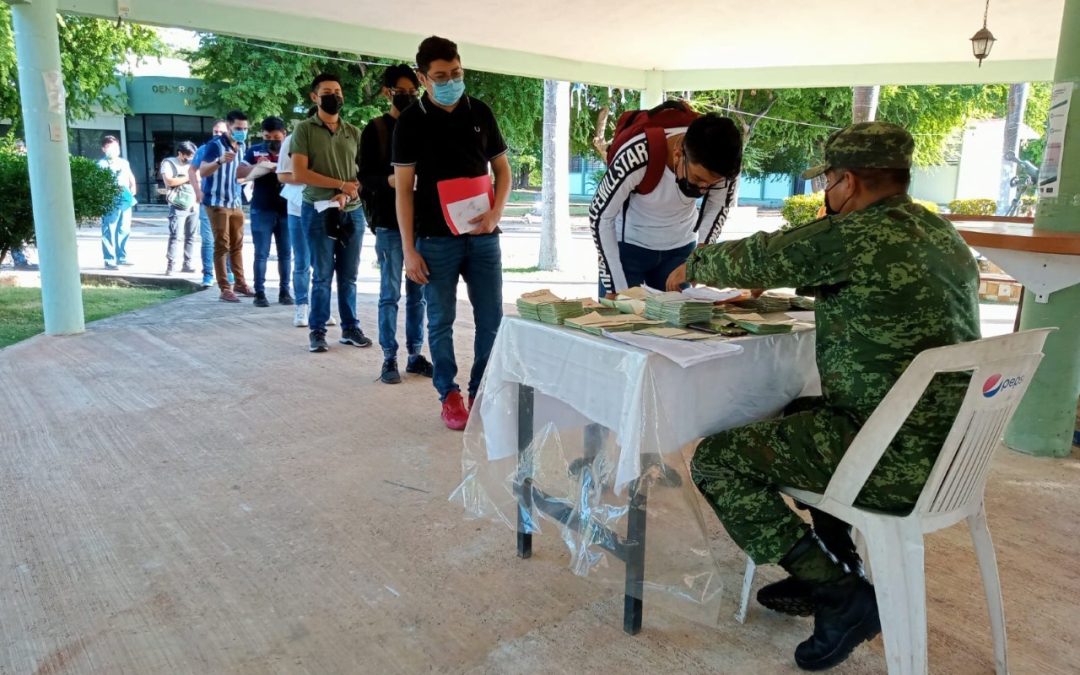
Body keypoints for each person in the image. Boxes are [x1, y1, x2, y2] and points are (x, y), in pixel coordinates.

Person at [666, 122, 981, 671]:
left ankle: (839, 592)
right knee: (789, 414)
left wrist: (692, 266)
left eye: (829, 183)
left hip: (889, 454)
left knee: (717, 460)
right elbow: (863, 289)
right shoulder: (940, 235)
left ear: (850, 181)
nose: (825, 195)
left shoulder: (859, 235)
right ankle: (840, 563)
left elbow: (767, 255)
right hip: (946, 446)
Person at [393, 36, 511, 430]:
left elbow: (503, 171)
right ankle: (449, 393)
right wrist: (409, 249)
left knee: (492, 318)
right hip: (435, 239)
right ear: (423, 78)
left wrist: (496, 212)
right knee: (440, 320)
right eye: (441, 76)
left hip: (483, 236)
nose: (451, 81)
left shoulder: (480, 111)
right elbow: (403, 191)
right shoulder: (410, 122)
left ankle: (481, 388)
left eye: (457, 73)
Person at [591, 111, 741, 298]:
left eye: (711, 184)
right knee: (621, 320)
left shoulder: (725, 167)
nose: (703, 189)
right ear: (678, 153)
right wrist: (615, 286)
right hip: (628, 249)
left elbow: (717, 209)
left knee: (678, 322)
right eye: (697, 178)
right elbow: (600, 215)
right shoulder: (638, 153)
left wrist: (697, 261)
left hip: (680, 250)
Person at [360, 64, 433, 384]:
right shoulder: (375, 129)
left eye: (413, 92)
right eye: (402, 92)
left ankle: (415, 354)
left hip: (423, 224)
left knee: (418, 295)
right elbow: (363, 179)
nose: (408, 97)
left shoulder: (422, 126)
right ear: (387, 92)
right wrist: (391, 180)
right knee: (389, 294)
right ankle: (389, 357)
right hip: (390, 225)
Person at [290, 73, 371, 352]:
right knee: (322, 275)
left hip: (352, 210)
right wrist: (339, 184)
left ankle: (350, 328)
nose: (333, 96)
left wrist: (348, 191)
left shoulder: (353, 132)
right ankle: (318, 330)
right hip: (318, 211)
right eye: (326, 92)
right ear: (314, 97)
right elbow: (300, 172)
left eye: (337, 91)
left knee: (349, 275)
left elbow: (365, 175)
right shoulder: (304, 129)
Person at [199, 110, 253, 303]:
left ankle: (240, 283)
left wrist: (255, 171)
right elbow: (203, 171)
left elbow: (240, 174)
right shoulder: (215, 145)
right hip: (216, 202)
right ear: (228, 127)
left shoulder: (242, 145)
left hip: (235, 201)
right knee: (222, 245)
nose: (242, 131)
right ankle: (224, 288)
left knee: (237, 244)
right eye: (238, 128)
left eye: (245, 128)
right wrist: (220, 161)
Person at [244, 116, 292, 308]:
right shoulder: (255, 150)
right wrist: (260, 167)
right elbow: (240, 172)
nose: (271, 140)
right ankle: (260, 293)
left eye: (275, 136)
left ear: (284, 135)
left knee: (286, 254)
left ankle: (285, 291)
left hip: (287, 209)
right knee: (261, 253)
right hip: (261, 208)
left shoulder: (292, 150)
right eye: (267, 136)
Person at [190, 119, 230, 287]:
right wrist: (197, 191)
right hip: (208, 202)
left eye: (221, 132)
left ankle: (228, 272)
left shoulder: (234, 150)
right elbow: (192, 170)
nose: (218, 135)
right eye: (215, 132)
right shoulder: (204, 150)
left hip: (228, 202)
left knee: (227, 239)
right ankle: (208, 274)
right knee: (208, 240)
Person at [97, 135, 137, 270]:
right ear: (103, 149)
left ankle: (122, 257)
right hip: (110, 200)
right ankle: (109, 259)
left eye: (115, 146)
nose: (113, 149)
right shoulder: (101, 164)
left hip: (125, 199)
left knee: (124, 229)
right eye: (109, 147)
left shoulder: (124, 162)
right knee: (109, 229)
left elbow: (130, 176)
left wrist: (133, 186)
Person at [160, 141, 199, 276]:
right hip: (178, 205)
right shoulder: (168, 163)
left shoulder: (194, 164)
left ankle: (187, 264)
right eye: (187, 156)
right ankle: (171, 266)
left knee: (191, 236)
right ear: (180, 153)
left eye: (192, 156)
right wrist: (189, 177)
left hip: (194, 205)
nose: (189, 159)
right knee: (176, 236)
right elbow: (169, 181)